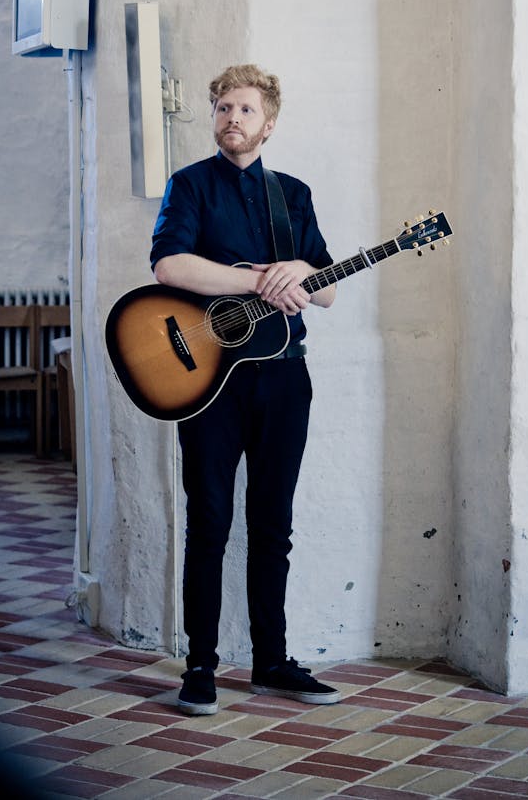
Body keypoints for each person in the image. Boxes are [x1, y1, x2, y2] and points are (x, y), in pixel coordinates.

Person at [150, 63, 341, 716]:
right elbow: (169, 263)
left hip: (285, 378)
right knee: (209, 522)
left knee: (273, 525)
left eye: (245, 109)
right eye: (223, 107)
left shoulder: (293, 195)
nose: (232, 118)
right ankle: (199, 665)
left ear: (270, 122)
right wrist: (258, 277)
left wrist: (299, 274)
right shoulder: (190, 186)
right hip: (208, 383)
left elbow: (330, 287)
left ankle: (271, 661)